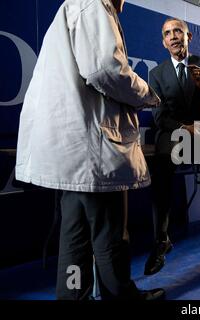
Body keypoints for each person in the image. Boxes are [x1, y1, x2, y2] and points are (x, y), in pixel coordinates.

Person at [15, 0, 162, 300]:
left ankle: (72, 297)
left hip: (75, 151)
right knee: (110, 235)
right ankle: (121, 296)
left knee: (75, 239)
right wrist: (148, 95)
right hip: (92, 150)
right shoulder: (93, 3)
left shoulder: (78, 4)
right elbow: (105, 70)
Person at [144, 18, 200, 283]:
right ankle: (161, 240)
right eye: (167, 33)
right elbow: (160, 116)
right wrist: (185, 128)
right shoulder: (157, 74)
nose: (173, 36)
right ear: (163, 42)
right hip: (176, 132)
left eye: (177, 32)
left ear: (189, 36)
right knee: (160, 174)